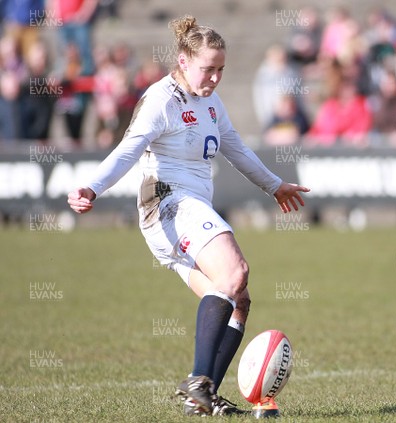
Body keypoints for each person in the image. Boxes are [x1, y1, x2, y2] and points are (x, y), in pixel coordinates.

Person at [67, 15, 309, 416]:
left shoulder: (211, 103)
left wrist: (274, 184)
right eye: (207, 69)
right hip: (168, 204)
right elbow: (128, 149)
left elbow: (237, 149)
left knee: (239, 301)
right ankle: (199, 378)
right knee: (235, 272)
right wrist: (92, 186)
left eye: (221, 70)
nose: (215, 78)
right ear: (182, 61)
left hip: (188, 210)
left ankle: (204, 397)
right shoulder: (161, 100)